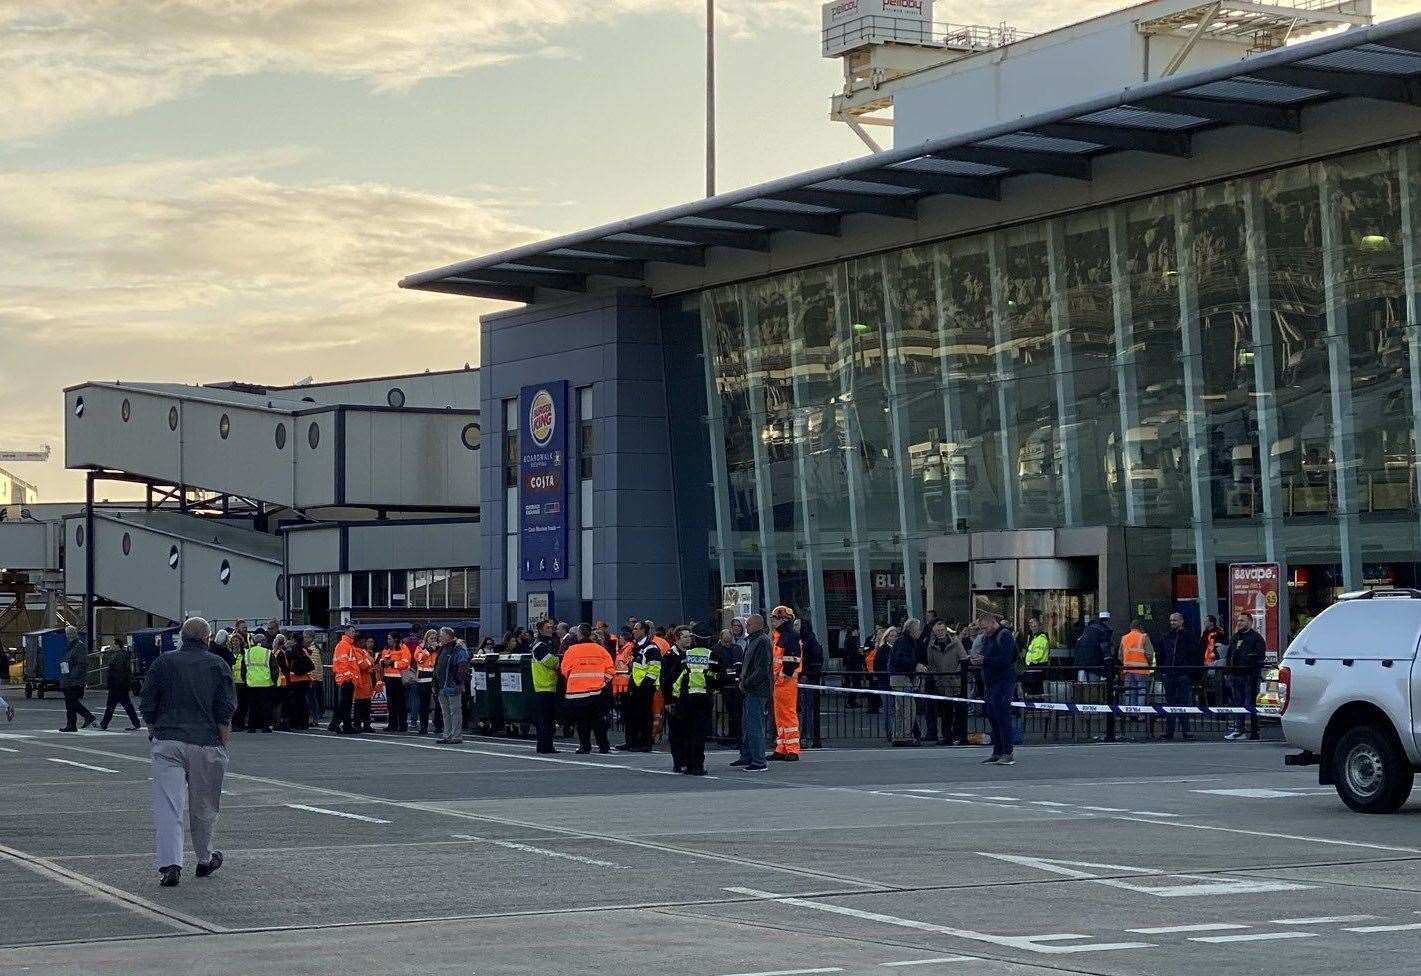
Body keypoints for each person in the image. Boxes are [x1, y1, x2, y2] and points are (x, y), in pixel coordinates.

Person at [139, 616, 235, 888]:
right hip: (205, 742)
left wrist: (152, 731)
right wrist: (222, 746)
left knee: (169, 805)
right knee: (203, 805)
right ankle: (204, 859)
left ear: (182, 637)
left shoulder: (163, 662)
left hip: (167, 740)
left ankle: (170, 865)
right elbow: (224, 711)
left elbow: (148, 703)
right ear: (206, 638)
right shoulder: (218, 664)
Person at [661, 627, 711, 775]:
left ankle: (690, 762)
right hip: (676, 699)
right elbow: (665, 680)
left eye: (690, 636)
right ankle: (679, 762)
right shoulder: (670, 655)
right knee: (677, 733)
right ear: (677, 638)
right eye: (685, 637)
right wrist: (668, 700)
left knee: (690, 732)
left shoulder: (693, 654)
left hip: (689, 699)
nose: (688, 639)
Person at [971, 612, 1017, 765]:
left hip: (1003, 682)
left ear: (992, 623)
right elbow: (986, 654)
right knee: (992, 716)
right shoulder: (988, 637)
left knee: (1002, 716)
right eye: (981, 629)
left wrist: (986, 660)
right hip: (990, 683)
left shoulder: (1004, 635)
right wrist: (979, 660)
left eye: (985, 628)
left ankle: (1007, 752)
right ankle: (997, 751)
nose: (984, 631)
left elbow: (1006, 659)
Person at [560, 624, 614, 754]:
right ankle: (604, 746)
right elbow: (611, 669)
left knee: (582, 722)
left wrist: (574, 679)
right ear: (589, 634)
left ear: (579, 634)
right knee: (598, 721)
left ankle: (585, 747)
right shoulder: (600, 650)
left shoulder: (571, 650)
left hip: (577, 692)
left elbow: (564, 670)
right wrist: (603, 681)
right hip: (596, 691)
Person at [731, 613, 772, 772]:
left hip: (757, 690)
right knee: (748, 724)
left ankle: (758, 761)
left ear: (757, 625)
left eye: (748, 624)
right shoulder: (755, 640)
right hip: (752, 689)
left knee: (755, 726)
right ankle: (747, 755)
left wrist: (746, 683)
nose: (746, 626)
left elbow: (761, 669)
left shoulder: (761, 641)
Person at [617, 620, 660, 752]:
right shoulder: (636, 646)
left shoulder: (651, 647)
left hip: (644, 687)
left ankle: (645, 743)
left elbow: (654, 669)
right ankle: (631, 742)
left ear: (644, 631)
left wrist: (643, 686)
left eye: (636, 629)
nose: (633, 631)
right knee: (631, 716)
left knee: (644, 716)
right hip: (634, 685)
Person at [1157, 611, 1200, 740]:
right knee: (1170, 703)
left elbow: (1195, 655)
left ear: (1182, 621)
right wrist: (1163, 669)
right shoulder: (1166, 636)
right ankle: (1169, 731)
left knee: (1183, 702)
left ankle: (1186, 731)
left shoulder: (1189, 637)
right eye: (1171, 620)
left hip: (1183, 674)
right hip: (1169, 674)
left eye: (1175, 620)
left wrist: (1191, 673)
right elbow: (1161, 654)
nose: (1172, 623)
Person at [923, 620, 967, 745]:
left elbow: (963, 659)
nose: (941, 632)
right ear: (934, 631)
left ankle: (959, 735)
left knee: (959, 711)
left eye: (942, 630)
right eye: (938, 630)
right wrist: (937, 678)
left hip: (956, 681)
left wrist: (956, 674)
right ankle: (946, 736)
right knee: (945, 712)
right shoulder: (931, 645)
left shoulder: (956, 642)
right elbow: (931, 664)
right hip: (941, 683)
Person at [1224, 613, 1267, 740]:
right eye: (1238, 620)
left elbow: (1259, 656)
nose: (1239, 622)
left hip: (1249, 676)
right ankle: (1239, 730)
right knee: (1238, 703)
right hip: (1235, 675)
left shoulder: (1256, 638)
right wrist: (1228, 672)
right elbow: (1229, 655)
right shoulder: (1236, 637)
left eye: (1242, 620)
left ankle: (1254, 732)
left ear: (1250, 622)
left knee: (1250, 703)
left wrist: (1250, 665)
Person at [768, 606, 802, 761]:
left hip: (786, 681)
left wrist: (783, 675)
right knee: (780, 716)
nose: (772, 621)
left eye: (774, 618)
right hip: (779, 681)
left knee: (788, 714)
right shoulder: (779, 636)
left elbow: (792, 660)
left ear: (784, 619)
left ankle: (793, 749)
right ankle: (781, 747)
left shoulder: (790, 636)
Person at [431, 628, 471, 744]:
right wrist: (435, 683)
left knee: (454, 711)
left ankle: (456, 736)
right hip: (442, 685)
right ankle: (447, 735)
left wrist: (457, 681)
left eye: (441, 635)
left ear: (448, 636)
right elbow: (437, 666)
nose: (439, 638)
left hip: (452, 685)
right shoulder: (443, 648)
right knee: (446, 712)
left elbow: (463, 665)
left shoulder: (457, 648)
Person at [889, 619, 923, 747]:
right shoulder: (906, 642)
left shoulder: (903, 641)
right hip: (902, 678)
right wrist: (915, 665)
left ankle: (898, 735)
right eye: (918, 629)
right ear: (912, 630)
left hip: (898, 677)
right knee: (908, 708)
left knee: (901, 708)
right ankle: (905, 735)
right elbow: (900, 659)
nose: (919, 632)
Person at [529, 619, 561, 754]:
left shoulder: (546, 643)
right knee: (545, 720)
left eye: (552, 627)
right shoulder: (540, 646)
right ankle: (544, 746)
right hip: (543, 686)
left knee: (548, 719)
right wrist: (559, 659)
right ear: (541, 630)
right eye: (548, 627)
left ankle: (547, 745)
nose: (551, 629)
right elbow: (551, 662)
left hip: (548, 685)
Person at [794, 618, 825, 749]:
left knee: (807, 709)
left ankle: (807, 736)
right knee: (802, 709)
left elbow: (816, 659)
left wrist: (806, 673)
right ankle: (804, 735)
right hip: (798, 678)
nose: (794, 627)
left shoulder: (810, 641)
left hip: (807, 680)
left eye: (797, 625)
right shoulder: (798, 640)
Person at [58, 625, 96, 732]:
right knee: (70, 704)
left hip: (74, 681)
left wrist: (72, 677)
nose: (67, 636)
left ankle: (87, 717)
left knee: (71, 702)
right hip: (68, 679)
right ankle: (72, 725)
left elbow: (81, 664)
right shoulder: (71, 646)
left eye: (68, 633)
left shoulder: (79, 647)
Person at [710, 628, 743, 745]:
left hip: (735, 685)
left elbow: (740, 664)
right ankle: (720, 735)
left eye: (730, 634)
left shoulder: (737, 649)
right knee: (721, 712)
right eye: (725, 634)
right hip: (721, 685)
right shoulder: (715, 650)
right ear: (721, 636)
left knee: (735, 712)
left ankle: (734, 735)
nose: (728, 636)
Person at [100, 638, 141, 731]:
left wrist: (112, 680)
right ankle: (136, 723)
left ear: (117, 645)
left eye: (113, 644)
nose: (112, 646)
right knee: (125, 705)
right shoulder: (123, 655)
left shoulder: (119, 656)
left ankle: (104, 724)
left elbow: (118, 670)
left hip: (117, 684)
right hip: (121, 684)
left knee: (111, 706)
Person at [327, 628, 359, 734]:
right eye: (353, 631)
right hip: (345, 679)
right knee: (344, 704)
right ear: (346, 633)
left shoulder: (347, 645)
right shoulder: (344, 645)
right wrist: (348, 676)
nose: (354, 633)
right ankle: (337, 724)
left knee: (346, 704)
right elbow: (342, 663)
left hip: (347, 678)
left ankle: (344, 725)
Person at [242, 633, 276, 733]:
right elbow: (274, 668)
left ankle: (252, 727)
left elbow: (244, 669)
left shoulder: (247, 652)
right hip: (265, 683)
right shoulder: (268, 652)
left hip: (251, 683)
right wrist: (274, 681)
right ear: (262, 642)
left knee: (252, 706)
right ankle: (265, 726)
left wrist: (245, 680)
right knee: (266, 706)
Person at [1074, 610, 1112, 697]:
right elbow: (1105, 650)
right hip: (1094, 665)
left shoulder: (1086, 630)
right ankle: (1093, 709)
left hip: (1081, 665)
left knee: (1083, 689)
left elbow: (1078, 645)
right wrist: (1108, 665)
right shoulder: (1103, 630)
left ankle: (1083, 708)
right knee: (1094, 690)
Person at [378, 632, 411, 734]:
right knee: (391, 703)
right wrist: (382, 663)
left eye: (390, 638)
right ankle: (392, 724)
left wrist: (392, 663)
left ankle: (402, 725)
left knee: (400, 703)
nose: (388, 640)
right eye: (387, 639)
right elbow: (381, 660)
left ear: (396, 639)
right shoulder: (386, 649)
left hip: (399, 679)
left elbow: (405, 663)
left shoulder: (403, 648)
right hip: (388, 678)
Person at [1119, 619, 1155, 708]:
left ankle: (1129, 713)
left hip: (1127, 670)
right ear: (1140, 627)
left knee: (1129, 692)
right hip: (1142, 670)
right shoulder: (1143, 637)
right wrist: (1149, 664)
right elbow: (1150, 654)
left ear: (1130, 627)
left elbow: (1120, 655)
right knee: (1141, 692)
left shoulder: (1124, 638)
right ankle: (1141, 714)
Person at [282, 636, 315, 731]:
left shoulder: (292, 650)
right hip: (305, 679)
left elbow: (288, 663)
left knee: (296, 702)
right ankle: (304, 723)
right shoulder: (304, 650)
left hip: (295, 679)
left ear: (294, 640)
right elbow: (310, 663)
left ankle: (296, 722)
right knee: (303, 701)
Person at [411, 629, 438, 735]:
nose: (433, 640)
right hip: (423, 680)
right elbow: (419, 658)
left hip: (435, 679)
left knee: (438, 705)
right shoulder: (420, 647)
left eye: (435, 638)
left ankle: (438, 726)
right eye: (431, 638)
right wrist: (430, 649)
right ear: (426, 638)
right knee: (424, 705)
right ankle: (423, 727)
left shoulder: (439, 648)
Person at [353, 637, 378, 733]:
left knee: (366, 704)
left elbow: (368, 665)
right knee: (359, 705)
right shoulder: (357, 652)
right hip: (360, 682)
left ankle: (366, 725)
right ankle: (358, 724)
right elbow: (363, 665)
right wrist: (370, 661)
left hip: (366, 681)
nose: (365, 643)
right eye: (363, 641)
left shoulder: (363, 652)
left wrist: (370, 664)